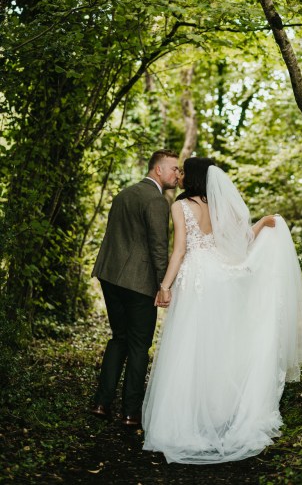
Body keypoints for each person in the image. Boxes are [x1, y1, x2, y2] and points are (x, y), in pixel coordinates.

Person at [142, 157, 302, 463]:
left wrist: (165, 285)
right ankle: (218, 416)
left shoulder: (180, 206)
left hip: (196, 276)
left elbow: (180, 249)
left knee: (191, 347)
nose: (180, 176)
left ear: (193, 177)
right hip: (219, 275)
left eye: (184, 171)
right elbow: (241, 240)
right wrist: (262, 222)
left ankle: (190, 421)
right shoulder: (218, 206)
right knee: (217, 346)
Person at [91, 149, 180, 426]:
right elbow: (158, 247)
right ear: (158, 170)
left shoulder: (123, 194)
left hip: (110, 275)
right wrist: (163, 285)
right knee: (140, 345)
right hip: (138, 283)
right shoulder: (156, 200)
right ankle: (130, 411)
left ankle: (101, 403)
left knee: (119, 338)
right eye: (174, 169)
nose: (178, 175)